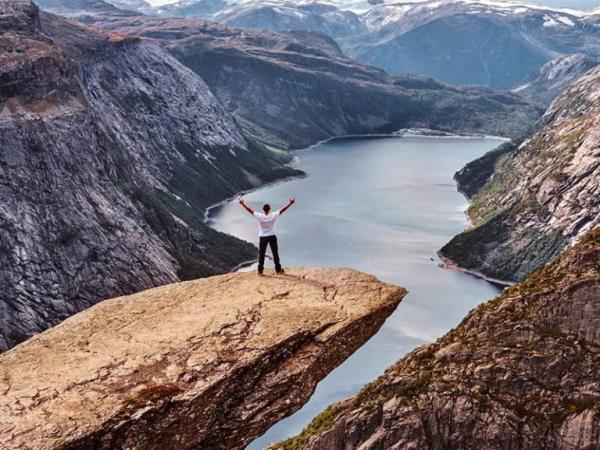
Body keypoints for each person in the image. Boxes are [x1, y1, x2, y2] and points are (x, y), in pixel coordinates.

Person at [239, 197, 295, 275]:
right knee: (275, 253)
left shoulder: (259, 216)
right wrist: (290, 203)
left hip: (263, 237)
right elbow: (283, 209)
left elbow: (250, 210)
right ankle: (278, 270)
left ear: (263, 209)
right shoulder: (273, 215)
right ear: (269, 209)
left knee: (262, 254)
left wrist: (242, 204)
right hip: (272, 236)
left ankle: (260, 271)